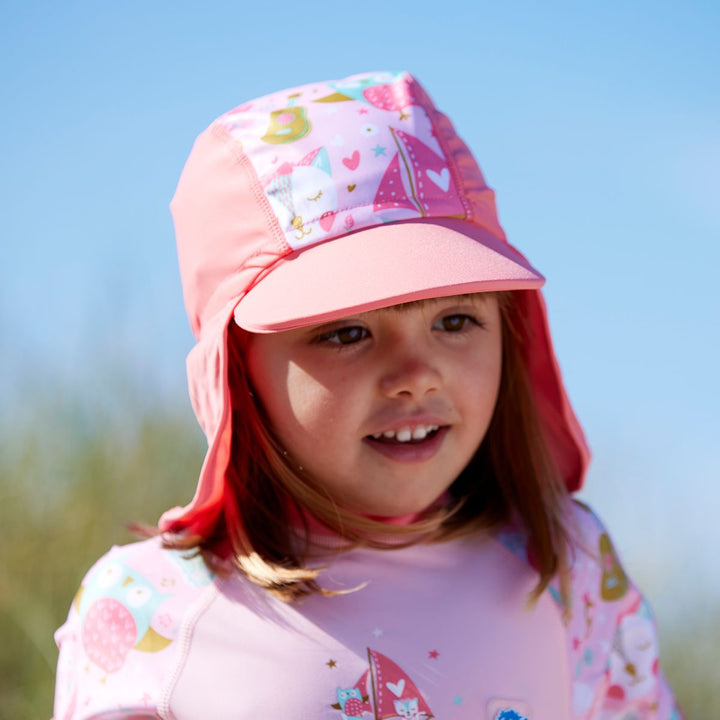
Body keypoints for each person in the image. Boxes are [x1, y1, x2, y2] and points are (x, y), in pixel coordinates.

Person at [53, 71, 683, 720]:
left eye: (455, 321)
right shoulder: (153, 610)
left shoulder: (567, 569)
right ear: (234, 368)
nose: (417, 373)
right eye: (348, 332)